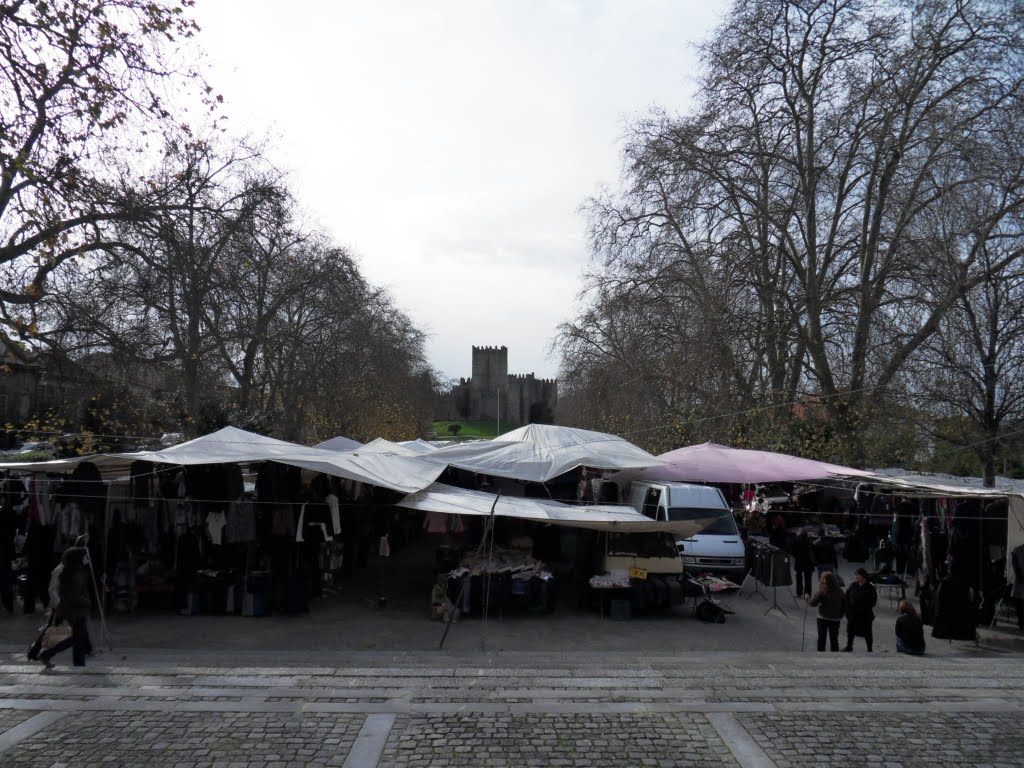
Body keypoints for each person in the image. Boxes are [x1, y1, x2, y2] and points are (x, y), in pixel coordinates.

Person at [38, 547, 93, 668]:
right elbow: (71, 595)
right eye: (85, 557)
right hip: (73, 610)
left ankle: (77, 662)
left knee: (78, 637)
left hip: (75, 609)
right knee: (78, 637)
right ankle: (49, 655)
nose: (87, 559)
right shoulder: (69, 573)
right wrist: (87, 602)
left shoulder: (76, 571)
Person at [808, 571, 846, 652]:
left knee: (822, 639)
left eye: (824, 582)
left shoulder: (822, 592)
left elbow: (813, 603)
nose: (824, 584)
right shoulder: (840, 591)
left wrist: (807, 598)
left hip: (823, 618)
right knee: (833, 639)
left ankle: (821, 657)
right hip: (835, 619)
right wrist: (840, 615)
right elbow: (844, 606)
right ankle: (835, 657)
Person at [844, 567, 878, 652]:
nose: (856, 577)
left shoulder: (870, 588)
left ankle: (870, 649)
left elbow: (873, 601)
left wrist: (863, 607)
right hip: (852, 613)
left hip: (864, 615)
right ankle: (849, 646)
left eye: (857, 575)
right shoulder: (853, 585)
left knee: (867, 633)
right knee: (850, 631)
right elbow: (846, 596)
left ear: (863, 576)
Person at [791, 529, 815, 598]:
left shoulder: (796, 541)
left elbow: (793, 552)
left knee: (799, 578)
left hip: (799, 562)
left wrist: (797, 556)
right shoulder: (809, 541)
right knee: (808, 578)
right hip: (808, 562)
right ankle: (807, 594)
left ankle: (799, 593)